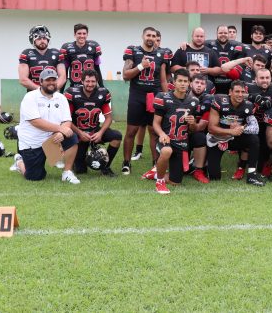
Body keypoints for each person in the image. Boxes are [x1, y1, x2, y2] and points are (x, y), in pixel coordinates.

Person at [120, 27, 172, 175]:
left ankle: (156, 163)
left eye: (154, 36)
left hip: (154, 96)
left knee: (154, 131)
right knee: (131, 131)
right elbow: (125, 75)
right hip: (137, 95)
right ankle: (126, 162)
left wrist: (167, 97)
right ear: (143, 36)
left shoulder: (161, 54)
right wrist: (141, 66)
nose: (151, 38)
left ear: (157, 38)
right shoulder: (133, 51)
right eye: (148, 35)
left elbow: (163, 79)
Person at [15, 68, 80, 183]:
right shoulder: (30, 97)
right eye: (48, 80)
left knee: (72, 136)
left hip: (52, 140)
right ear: (40, 82)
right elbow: (36, 122)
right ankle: (19, 161)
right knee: (35, 177)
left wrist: (61, 132)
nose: (51, 83)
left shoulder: (61, 98)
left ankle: (67, 173)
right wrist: (60, 129)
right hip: (32, 143)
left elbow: (67, 121)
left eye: (54, 80)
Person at [149, 68, 199, 194]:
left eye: (185, 81)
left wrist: (193, 123)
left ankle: (155, 173)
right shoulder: (163, 97)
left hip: (181, 143)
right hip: (166, 139)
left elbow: (193, 129)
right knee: (166, 150)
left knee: (175, 182)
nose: (183, 84)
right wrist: (161, 134)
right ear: (174, 82)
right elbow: (155, 123)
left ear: (189, 83)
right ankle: (159, 182)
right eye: (180, 81)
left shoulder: (193, 102)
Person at [206, 80, 264, 186]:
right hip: (218, 139)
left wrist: (242, 128)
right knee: (214, 177)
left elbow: (254, 128)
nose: (240, 95)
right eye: (237, 91)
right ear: (230, 92)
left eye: (242, 92)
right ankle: (200, 164)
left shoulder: (248, 105)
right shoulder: (219, 101)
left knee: (254, 139)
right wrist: (231, 131)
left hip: (235, 138)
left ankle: (251, 175)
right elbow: (211, 128)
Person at [64, 69, 121, 176]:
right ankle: (80, 159)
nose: (90, 84)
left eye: (93, 81)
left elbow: (108, 117)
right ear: (82, 81)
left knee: (116, 136)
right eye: (87, 81)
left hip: (94, 130)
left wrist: (100, 133)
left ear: (97, 81)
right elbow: (66, 119)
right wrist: (80, 133)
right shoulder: (72, 93)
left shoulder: (102, 93)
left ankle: (106, 166)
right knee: (81, 171)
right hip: (78, 133)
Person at [19, 25, 66, 91]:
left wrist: (52, 90)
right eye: (39, 39)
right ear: (33, 40)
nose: (42, 41)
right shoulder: (26, 54)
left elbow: (62, 77)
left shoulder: (57, 53)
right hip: (33, 94)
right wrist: (40, 90)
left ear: (48, 39)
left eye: (44, 38)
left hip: (52, 93)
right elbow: (23, 79)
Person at [60, 23, 103, 89]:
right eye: (79, 33)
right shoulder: (67, 48)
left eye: (84, 33)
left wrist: (102, 86)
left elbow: (97, 69)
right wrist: (61, 91)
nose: (82, 36)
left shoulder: (94, 46)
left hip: (90, 87)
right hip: (75, 87)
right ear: (74, 34)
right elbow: (64, 72)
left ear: (87, 34)